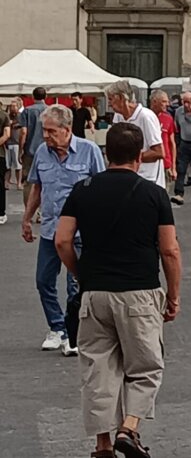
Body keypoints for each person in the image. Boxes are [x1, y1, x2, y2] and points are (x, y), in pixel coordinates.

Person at [55, 122, 182, 458]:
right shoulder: (153, 194)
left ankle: (103, 444)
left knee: (98, 370)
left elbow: (62, 240)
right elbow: (169, 250)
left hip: (95, 293)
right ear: (139, 156)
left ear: (105, 153)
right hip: (139, 290)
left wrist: (80, 273)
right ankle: (129, 427)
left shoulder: (82, 189)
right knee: (145, 367)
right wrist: (173, 295)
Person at [22, 104, 106, 356]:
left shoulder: (89, 151)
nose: (45, 135)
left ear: (66, 129)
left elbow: (102, 189)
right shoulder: (42, 152)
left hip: (80, 233)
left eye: (50, 131)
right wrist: (27, 218)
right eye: (43, 130)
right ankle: (56, 327)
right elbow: (37, 188)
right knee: (43, 281)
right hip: (50, 230)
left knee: (76, 285)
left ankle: (74, 333)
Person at [107, 81, 166, 191]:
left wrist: (130, 158)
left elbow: (159, 152)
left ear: (121, 98)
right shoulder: (118, 116)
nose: (109, 104)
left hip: (148, 179)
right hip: (127, 177)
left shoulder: (146, 116)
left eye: (111, 99)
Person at [20, 86, 48, 202]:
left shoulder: (27, 111)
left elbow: (23, 132)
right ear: (45, 97)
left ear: (33, 97)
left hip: (30, 150)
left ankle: (30, 211)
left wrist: (21, 149)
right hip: (47, 150)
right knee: (46, 181)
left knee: (28, 181)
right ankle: (42, 212)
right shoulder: (50, 110)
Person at [150, 91, 178, 188]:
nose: (168, 104)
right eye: (164, 101)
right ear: (154, 102)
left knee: (164, 196)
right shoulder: (145, 116)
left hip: (166, 164)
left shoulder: (168, 118)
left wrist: (173, 167)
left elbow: (172, 143)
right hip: (149, 163)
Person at [6, 99, 23, 197]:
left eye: (14, 106)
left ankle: (18, 183)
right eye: (11, 106)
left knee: (18, 165)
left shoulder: (21, 117)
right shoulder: (7, 117)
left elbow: (22, 127)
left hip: (17, 143)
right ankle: (7, 182)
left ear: (18, 107)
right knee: (7, 165)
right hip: (8, 143)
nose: (12, 108)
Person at [0, 102, 9, 225]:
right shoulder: (4, 115)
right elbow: (7, 134)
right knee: (0, 185)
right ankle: (1, 213)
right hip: (0, 154)